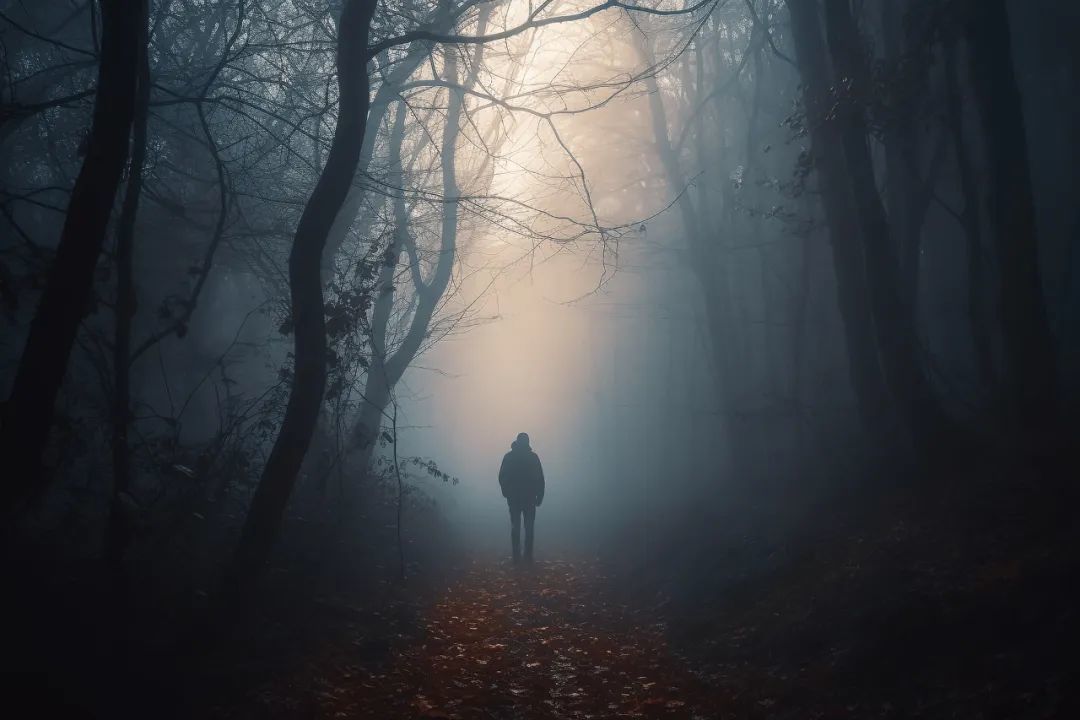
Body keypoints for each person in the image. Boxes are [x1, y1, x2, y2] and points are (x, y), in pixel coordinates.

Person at [498, 432, 545, 566]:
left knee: (516, 527)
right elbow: (540, 479)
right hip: (529, 498)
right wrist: (539, 495)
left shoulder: (509, 457)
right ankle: (527, 557)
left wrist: (506, 492)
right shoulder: (533, 458)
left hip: (515, 498)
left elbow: (502, 477)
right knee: (528, 527)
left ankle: (517, 557)